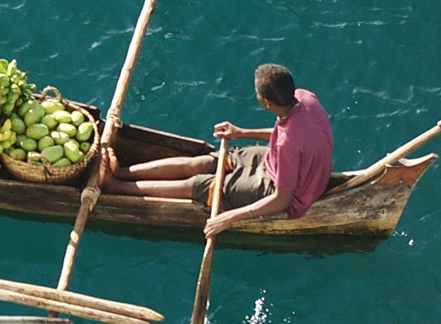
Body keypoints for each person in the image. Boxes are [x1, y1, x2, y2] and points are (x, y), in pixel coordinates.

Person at [98, 63, 333, 240]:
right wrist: (240, 132)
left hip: (285, 190)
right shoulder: (305, 98)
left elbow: (283, 200)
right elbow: (284, 134)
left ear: (266, 103)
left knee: (201, 184)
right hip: (276, 162)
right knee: (206, 162)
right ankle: (124, 173)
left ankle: (115, 186)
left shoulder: (287, 145)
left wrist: (229, 217)